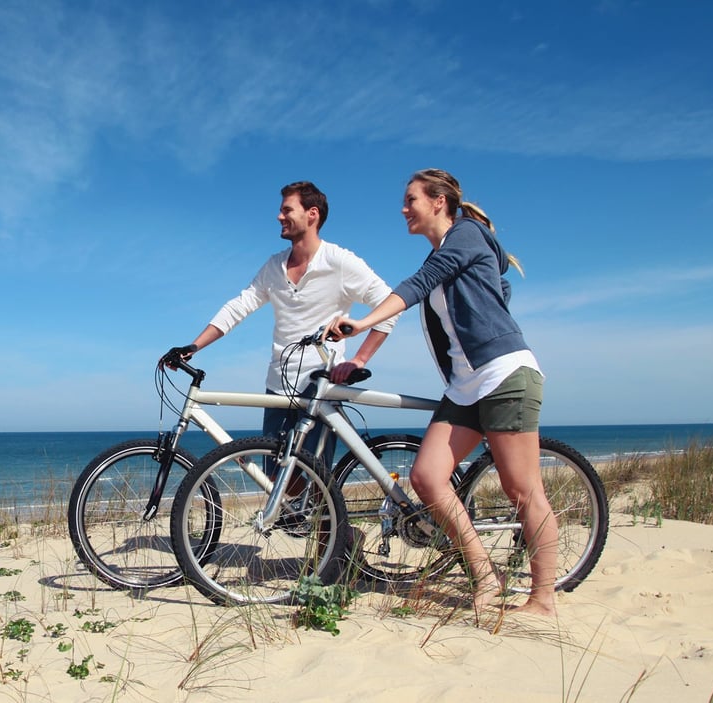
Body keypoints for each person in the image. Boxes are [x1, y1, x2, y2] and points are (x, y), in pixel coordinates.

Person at [327, 168, 558, 617]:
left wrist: (362, 323)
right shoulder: (450, 252)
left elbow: (418, 285)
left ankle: (543, 599)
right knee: (427, 477)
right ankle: (483, 574)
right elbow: (493, 288)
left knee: (522, 489)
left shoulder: (467, 234)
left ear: (438, 202)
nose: (403, 207)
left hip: (504, 374)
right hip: (466, 385)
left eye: (411, 199)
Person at [173, 180, 399, 468]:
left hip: (320, 385)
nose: (279, 216)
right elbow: (238, 307)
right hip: (278, 386)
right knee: (277, 480)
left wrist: (359, 359)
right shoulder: (274, 266)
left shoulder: (340, 262)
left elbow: (390, 304)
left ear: (312, 214)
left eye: (286, 210)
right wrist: (194, 346)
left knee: (318, 483)